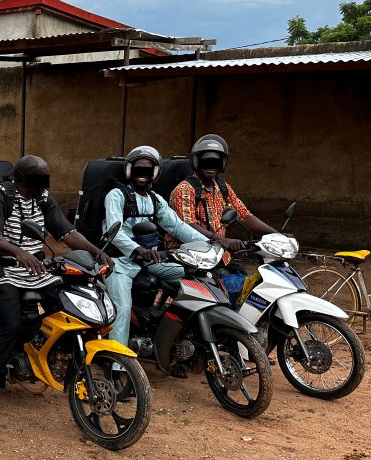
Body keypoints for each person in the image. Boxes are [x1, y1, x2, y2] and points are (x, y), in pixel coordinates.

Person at [0, 155, 112, 424]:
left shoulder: (43, 197)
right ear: (21, 177)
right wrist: (18, 253)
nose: (44, 183)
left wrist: (96, 252)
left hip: (37, 270)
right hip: (3, 269)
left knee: (68, 308)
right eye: (39, 177)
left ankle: (53, 360)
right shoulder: (0, 195)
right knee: (9, 326)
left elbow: (66, 233)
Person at [104, 145, 207, 353]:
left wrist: (208, 245)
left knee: (194, 278)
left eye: (148, 170)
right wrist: (137, 249)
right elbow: (114, 233)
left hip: (151, 260)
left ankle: (175, 343)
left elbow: (177, 227)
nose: (142, 174)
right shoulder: (116, 195)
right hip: (120, 263)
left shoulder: (155, 199)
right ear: (129, 170)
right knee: (122, 308)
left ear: (156, 173)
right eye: (138, 169)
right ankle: (115, 363)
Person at [168, 134, 278, 302]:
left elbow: (245, 215)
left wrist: (276, 235)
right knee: (229, 290)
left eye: (216, 162)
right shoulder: (185, 189)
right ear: (196, 162)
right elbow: (186, 224)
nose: (211, 166)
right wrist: (221, 239)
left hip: (219, 256)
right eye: (206, 161)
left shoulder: (223, 188)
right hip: (192, 258)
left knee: (249, 286)